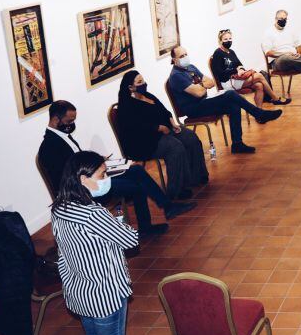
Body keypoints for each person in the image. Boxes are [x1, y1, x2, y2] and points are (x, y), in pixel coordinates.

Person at [51, 150, 156, 335]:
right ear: (83, 178)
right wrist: (118, 218)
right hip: (106, 291)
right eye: (102, 175)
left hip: (80, 290)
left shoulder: (59, 208)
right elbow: (130, 240)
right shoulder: (92, 213)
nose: (106, 179)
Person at [38, 100, 189, 236]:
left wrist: (97, 163)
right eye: (69, 121)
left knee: (136, 170)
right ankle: (145, 228)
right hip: (83, 190)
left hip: (90, 178)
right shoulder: (49, 146)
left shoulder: (62, 136)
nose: (72, 124)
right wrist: (95, 170)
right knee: (136, 187)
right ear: (56, 119)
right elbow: (67, 176)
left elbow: (77, 161)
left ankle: (167, 207)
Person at [167, 46, 281, 154]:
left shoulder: (191, 67)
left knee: (233, 105)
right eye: (182, 56)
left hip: (203, 102)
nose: (185, 57)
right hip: (194, 108)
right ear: (174, 60)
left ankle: (237, 144)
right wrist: (203, 85)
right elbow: (198, 93)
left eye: (186, 54)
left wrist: (200, 85)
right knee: (230, 94)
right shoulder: (176, 76)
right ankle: (259, 114)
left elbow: (211, 82)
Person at [115, 70, 208, 201]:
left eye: (143, 80)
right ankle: (177, 190)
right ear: (131, 87)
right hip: (144, 141)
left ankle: (197, 175)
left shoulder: (149, 95)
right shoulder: (127, 105)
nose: (144, 84)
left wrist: (173, 123)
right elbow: (136, 127)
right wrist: (158, 128)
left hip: (165, 130)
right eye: (140, 82)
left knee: (190, 137)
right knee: (175, 147)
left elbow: (165, 111)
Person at [261, 9, 301, 106]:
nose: (283, 20)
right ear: (275, 19)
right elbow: (268, 52)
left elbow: (298, 46)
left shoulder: (290, 30)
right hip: (278, 62)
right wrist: (284, 54)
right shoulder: (268, 32)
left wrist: (299, 54)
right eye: (281, 18)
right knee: (287, 57)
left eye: (285, 19)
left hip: (293, 59)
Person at [209, 29, 288, 107]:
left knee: (259, 85)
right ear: (220, 41)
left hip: (237, 78)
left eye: (230, 38)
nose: (228, 41)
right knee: (259, 76)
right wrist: (235, 70)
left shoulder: (231, 51)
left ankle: (259, 114)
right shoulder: (218, 53)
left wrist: (241, 69)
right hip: (227, 82)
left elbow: (239, 64)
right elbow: (219, 73)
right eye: (225, 39)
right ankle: (275, 99)